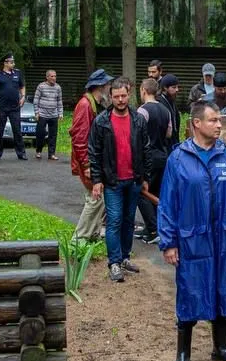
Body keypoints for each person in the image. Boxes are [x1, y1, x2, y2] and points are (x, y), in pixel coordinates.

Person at [158, 101, 226, 361]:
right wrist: (168, 242)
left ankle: (223, 348)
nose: (219, 125)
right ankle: (183, 353)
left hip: (225, 239)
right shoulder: (179, 159)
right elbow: (167, 203)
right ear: (196, 123)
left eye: (219, 120)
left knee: (224, 291)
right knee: (191, 293)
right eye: (213, 120)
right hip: (193, 239)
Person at [88, 77, 150, 283]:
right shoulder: (102, 121)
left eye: (124, 96)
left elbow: (145, 149)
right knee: (114, 220)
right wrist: (97, 180)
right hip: (112, 181)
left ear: (129, 94)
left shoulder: (138, 120)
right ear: (111, 97)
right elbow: (94, 152)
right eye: (116, 97)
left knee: (128, 221)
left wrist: (145, 177)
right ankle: (114, 262)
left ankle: (124, 257)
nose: (121, 100)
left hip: (133, 180)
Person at [69, 69, 110, 242]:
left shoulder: (93, 104)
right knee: (96, 198)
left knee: (98, 198)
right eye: (107, 85)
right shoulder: (86, 105)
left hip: (93, 160)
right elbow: (79, 137)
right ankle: (79, 239)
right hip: (88, 162)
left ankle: (92, 234)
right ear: (100, 86)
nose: (109, 88)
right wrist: (86, 166)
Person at [135, 77, 173, 244]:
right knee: (156, 192)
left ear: (143, 90)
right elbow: (169, 133)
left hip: (147, 157)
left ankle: (152, 229)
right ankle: (155, 226)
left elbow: (136, 135)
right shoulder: (166, 110)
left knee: (142, 192)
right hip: (162, 155)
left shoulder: (142, 111)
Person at [0, 54, 28, 160]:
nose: (13, 64)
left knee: (17, 130)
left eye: (13, 62)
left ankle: (21, 153)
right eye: (11, 62)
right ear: (5, 63)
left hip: (15, 107)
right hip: (2, 107)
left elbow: (22, 86)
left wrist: (23, 97)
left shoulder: (17, 73)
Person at [33, 69, 63, 161]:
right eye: (52, 76)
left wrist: (60, 113)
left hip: (53, 115)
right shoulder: (41, 86)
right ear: (47, 77)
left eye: (55, 76)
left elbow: (59, 101)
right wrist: (36, 112)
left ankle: (51, 154)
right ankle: (38, 151)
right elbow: (36, 100)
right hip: (42, 114)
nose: (54, 78)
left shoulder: (58, 88)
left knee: (53, 135)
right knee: (40, 134)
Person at [159, 74, 182, 152]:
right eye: (174, 87)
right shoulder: (160, 103)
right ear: (165, 88)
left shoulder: (171, 101)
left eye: (177, 87)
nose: (177, 90)